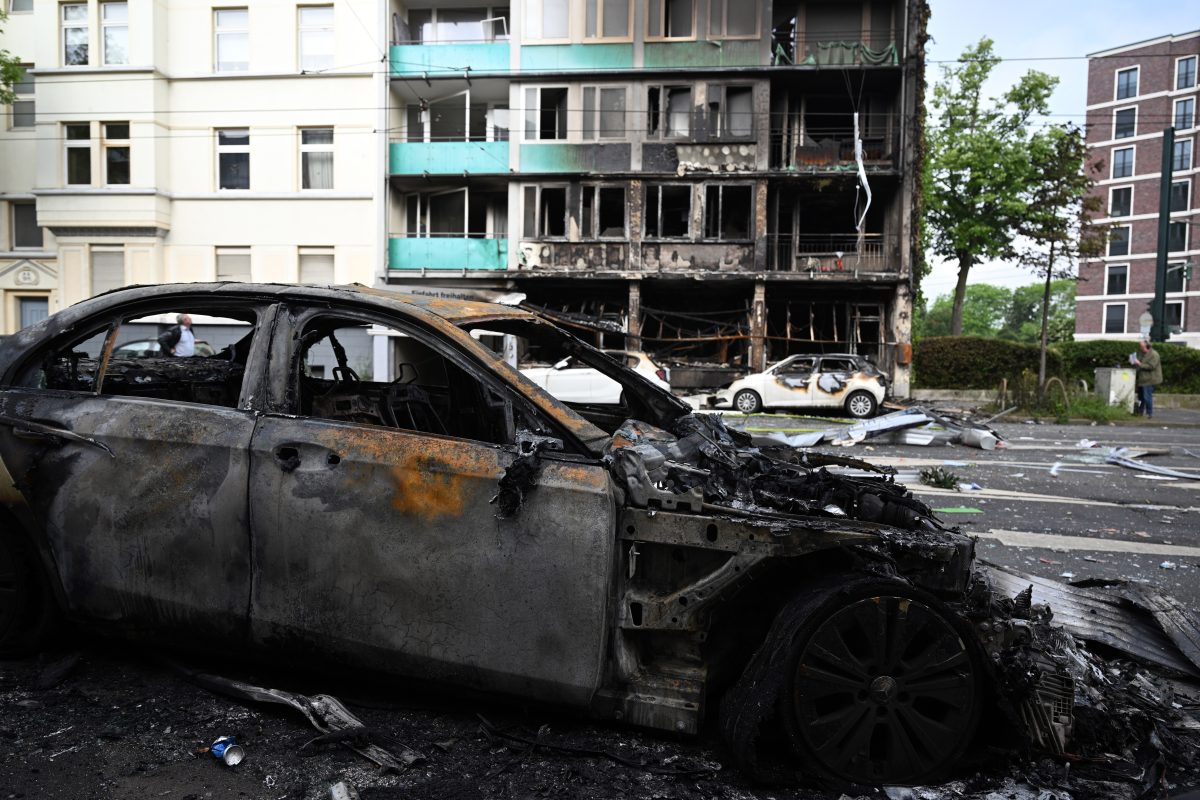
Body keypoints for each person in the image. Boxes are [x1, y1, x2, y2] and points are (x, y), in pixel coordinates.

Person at [1132, 339, 1162, 418]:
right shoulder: (1142, 353)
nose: (1140, 348)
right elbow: (1140, 362)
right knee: (1141, 397)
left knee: (1147, 396)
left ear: (1146, 347)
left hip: (1150, 379)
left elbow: (1151, 366)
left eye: (1141, 346)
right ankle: (1140, 412)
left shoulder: (1154, 354)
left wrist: (1139, 364)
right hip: (1142, 379)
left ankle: (1149, 413)